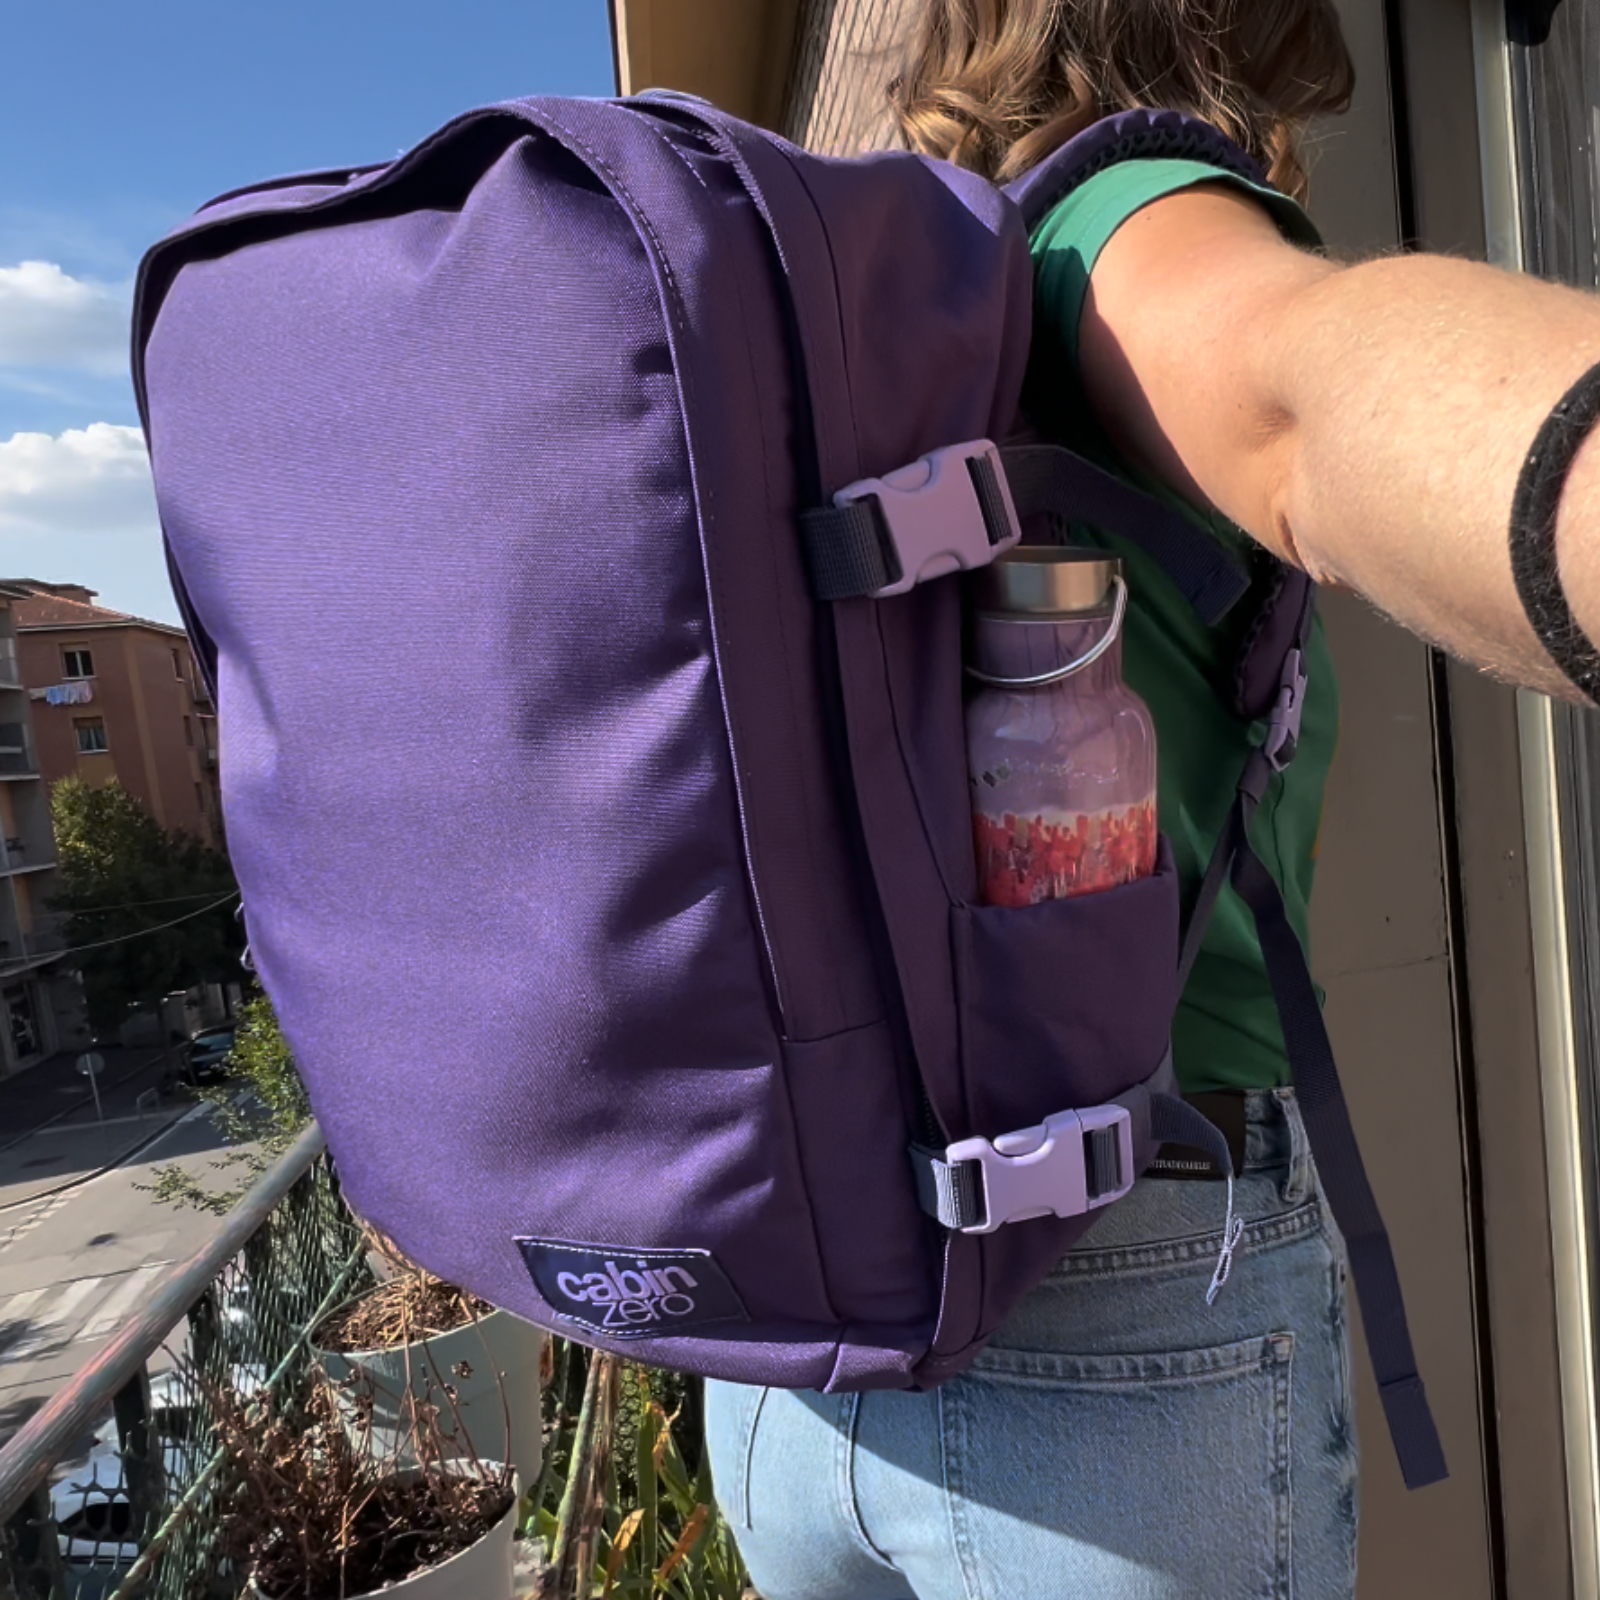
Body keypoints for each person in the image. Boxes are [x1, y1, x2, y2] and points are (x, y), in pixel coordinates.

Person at [702, 1, 1600, 1596]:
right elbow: (1308, 393)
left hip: (793, 1344)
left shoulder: (865, 321)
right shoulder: (1125, 225)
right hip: (1112, 1316)